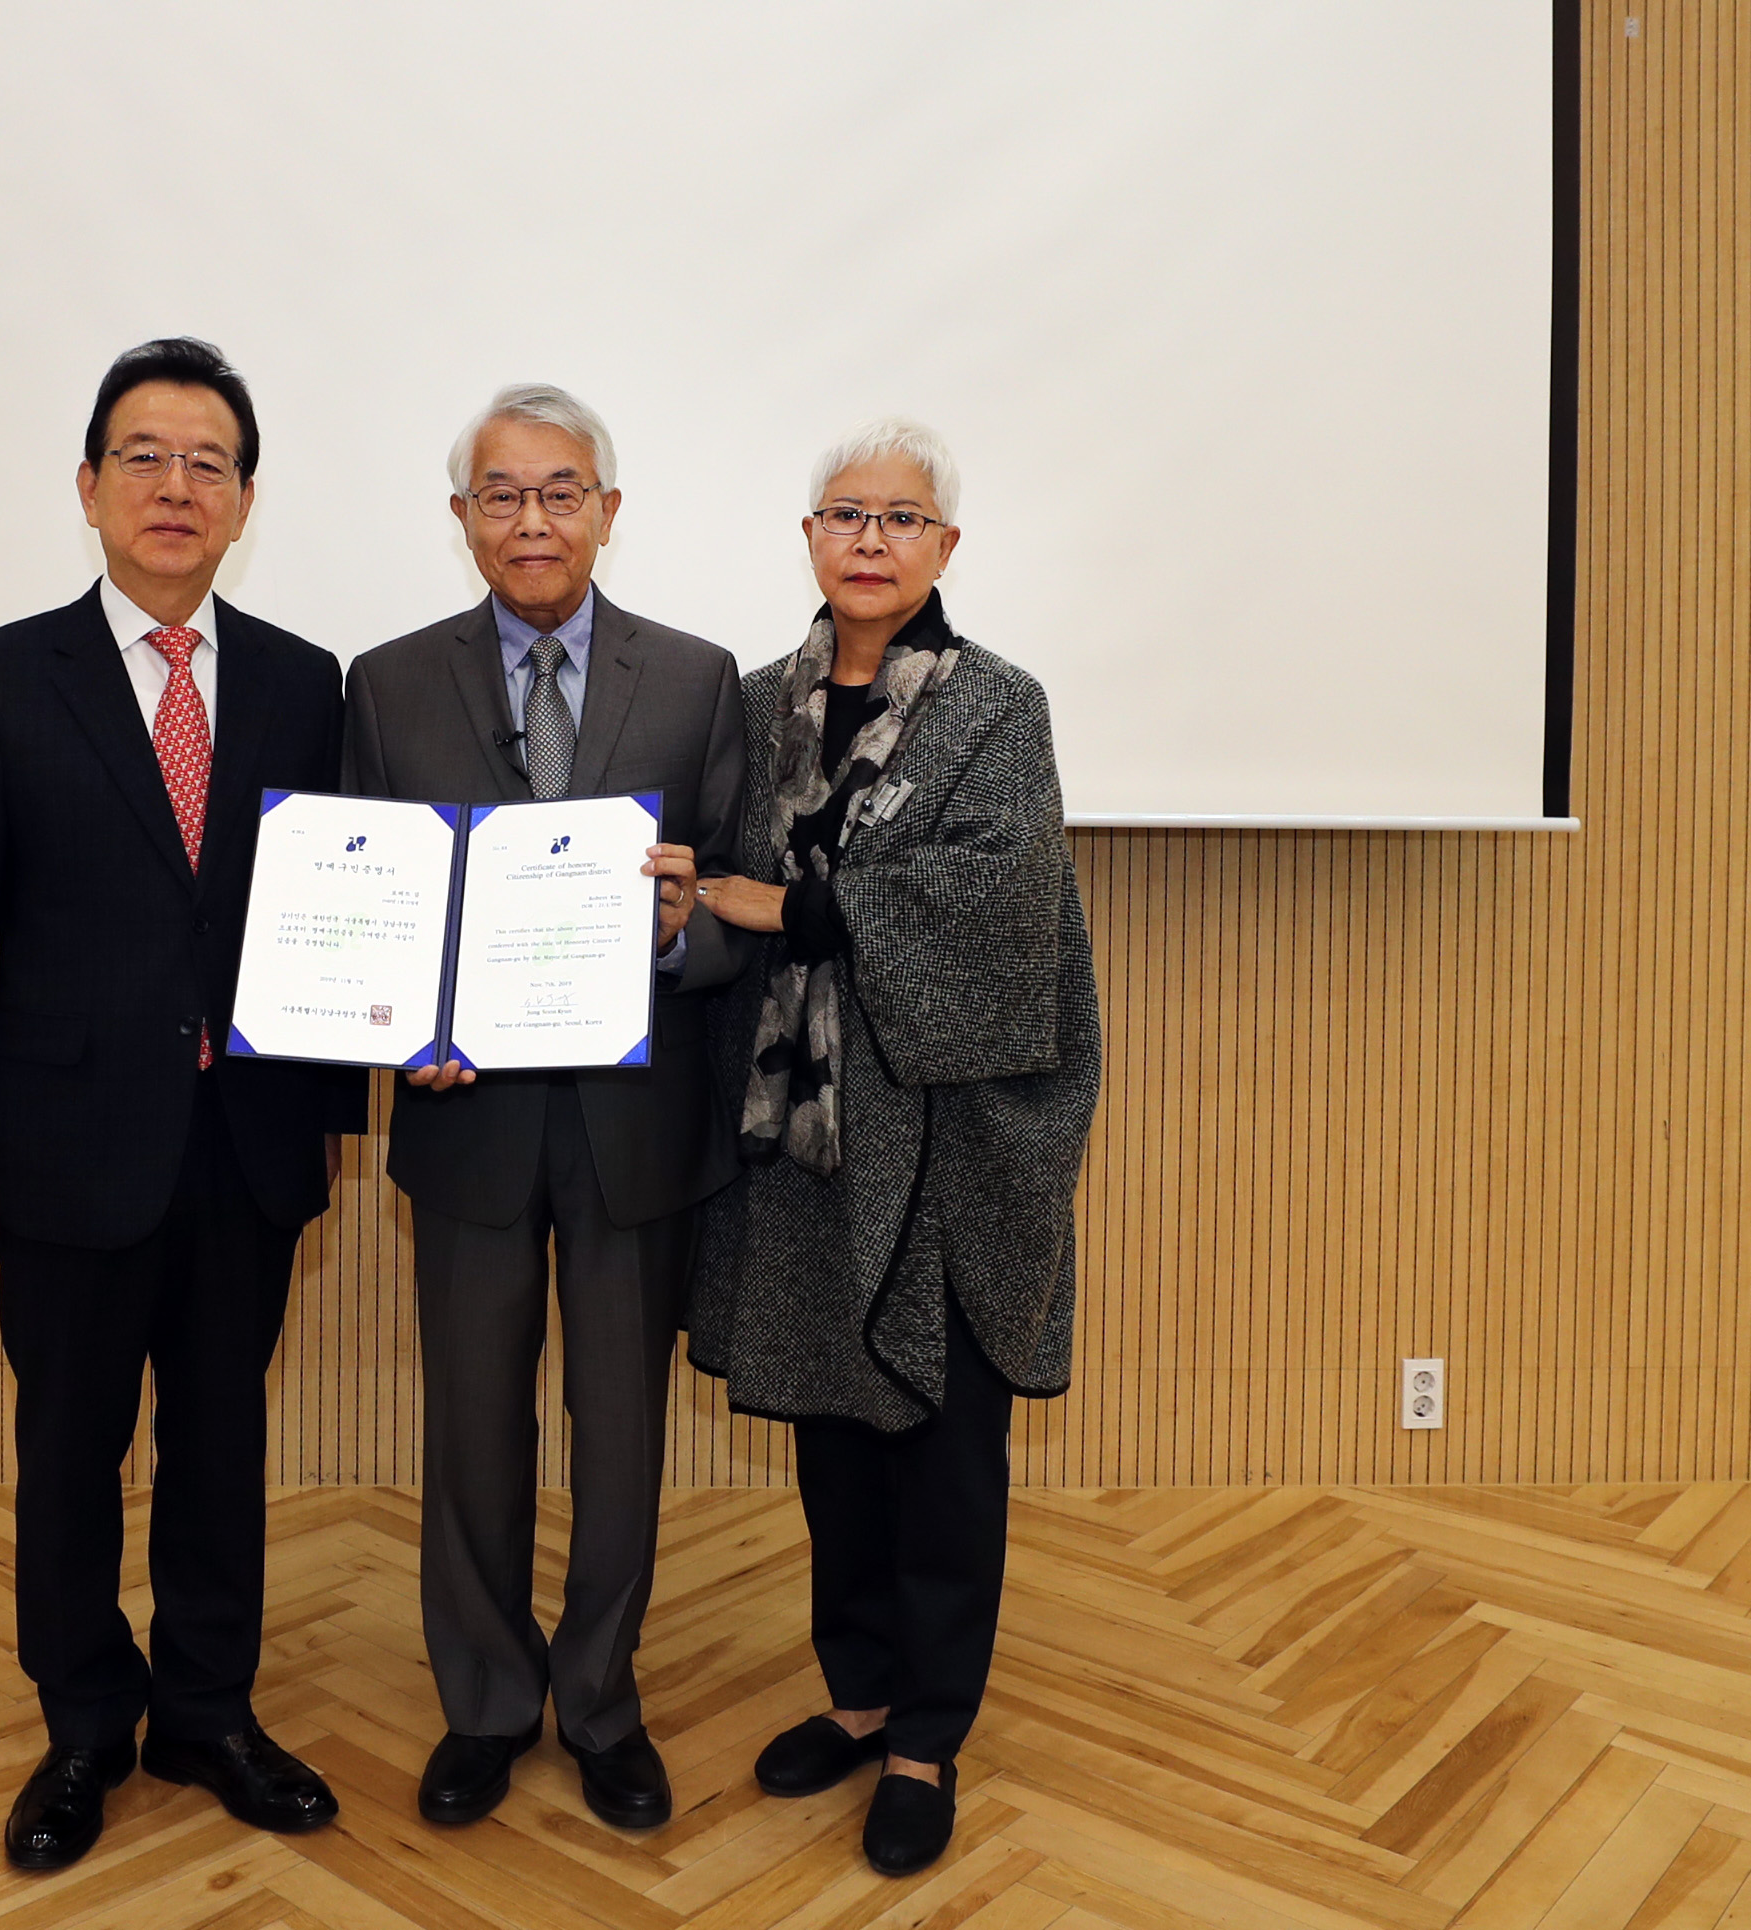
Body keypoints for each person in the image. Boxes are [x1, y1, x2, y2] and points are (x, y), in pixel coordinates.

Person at [0, 338, 367, 1871]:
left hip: (243, 1151)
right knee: (71, 1452)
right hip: (62, 1155)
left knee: (222, 1443)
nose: (178, 487)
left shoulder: (309, 684)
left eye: (209, 462)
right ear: (90, 484)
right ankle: (86, 1723)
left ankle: (209, 1709)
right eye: (147, 457)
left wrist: (349, 1099)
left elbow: (339, 917)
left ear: (245, 500)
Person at [688, 418, 1101, 1877]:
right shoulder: (749, 705)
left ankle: (928, 1731)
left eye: (901, 517)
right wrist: (684, 892)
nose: (870, 538)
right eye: (844, 513)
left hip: (942, 1145)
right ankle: (858, 1695)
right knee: (831, 1437)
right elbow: (706, 887)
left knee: (938, 1448)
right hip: (799, 1144)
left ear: (944, 548)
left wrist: (787, 908)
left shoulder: (1001, 706)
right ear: (808, 537)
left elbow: (997, 916)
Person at [343, 384, 751, 1830]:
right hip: (466, 1122)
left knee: (622, 1429)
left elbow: (739, 909)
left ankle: (599, 1702)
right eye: (501, 494)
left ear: (608, 511)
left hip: (637, 1124)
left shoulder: (704, 682)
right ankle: (487, 1705)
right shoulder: (384, 686)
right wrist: (402, 1027)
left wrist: (668, 935)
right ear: (462, 520)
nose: (532, 518)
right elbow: (371, 905)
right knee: (470, 1426)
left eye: (560, 489)